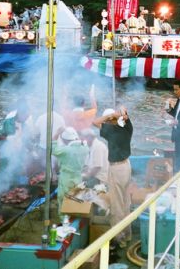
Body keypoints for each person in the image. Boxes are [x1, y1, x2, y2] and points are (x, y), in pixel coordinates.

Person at [94, 106, 133, 249]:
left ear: (110, 120)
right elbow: (126, 116)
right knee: (125, 202)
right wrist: (117, 114)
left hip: (117, 168)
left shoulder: (110, 131)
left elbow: (95, 122)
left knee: (117, 205)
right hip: (126, 166)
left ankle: (119, 239)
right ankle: (127, 235)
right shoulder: (127, 129)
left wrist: (109, 116)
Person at [52, 127, 89, 202]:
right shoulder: (85, 148)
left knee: (64, 200)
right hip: (78, 178)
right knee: (76, 200)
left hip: (66, 179)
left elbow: (53, 149)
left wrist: (56, 134)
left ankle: (63, 214)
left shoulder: (66, 150)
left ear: (65, 140)